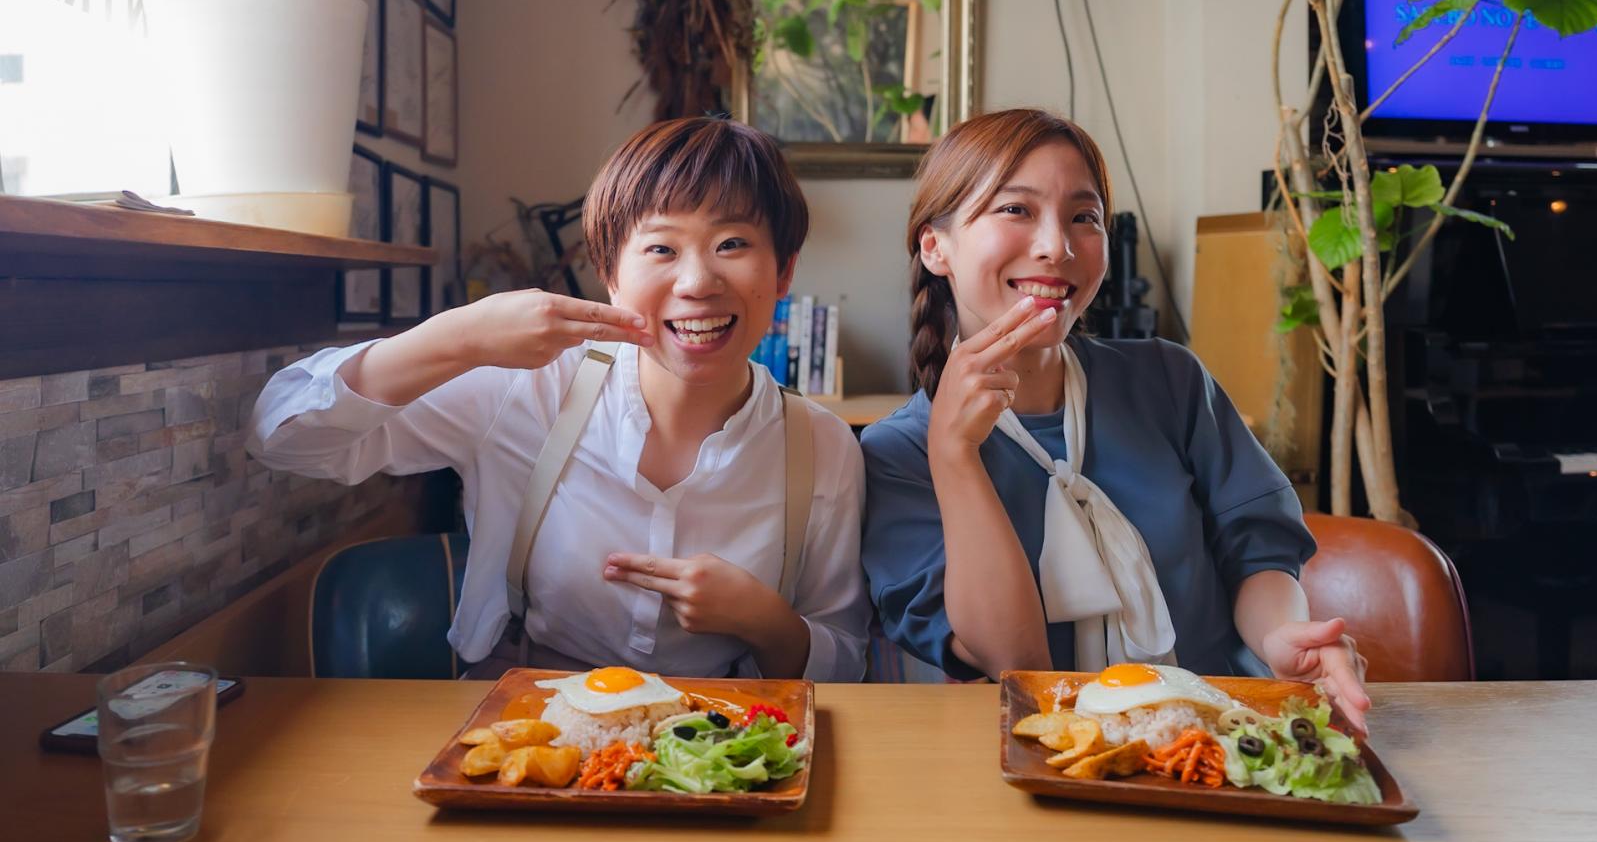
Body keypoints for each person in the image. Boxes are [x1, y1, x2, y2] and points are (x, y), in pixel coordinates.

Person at [248, 117, 869, 681]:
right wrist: (460, 336)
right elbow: (283, 435)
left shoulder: (821, 447)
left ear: (784, 271)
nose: (697, 282)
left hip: (715, 749)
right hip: (521, 729)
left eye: (732, 244)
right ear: (612, 274)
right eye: (660, 248)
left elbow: (845, 663)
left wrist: (764, 620)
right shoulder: (530, 385)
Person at [859, 108, 1371, 731]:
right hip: (1045, 765)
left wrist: (1285, 638)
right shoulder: (899, 452)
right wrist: (955, 456)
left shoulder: (1167, 379)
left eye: (1085, 217)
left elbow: (1257, 551)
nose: (1058, 246)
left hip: (1227, 737)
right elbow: (1013, 661)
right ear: (935, 246)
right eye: (1016, 210)